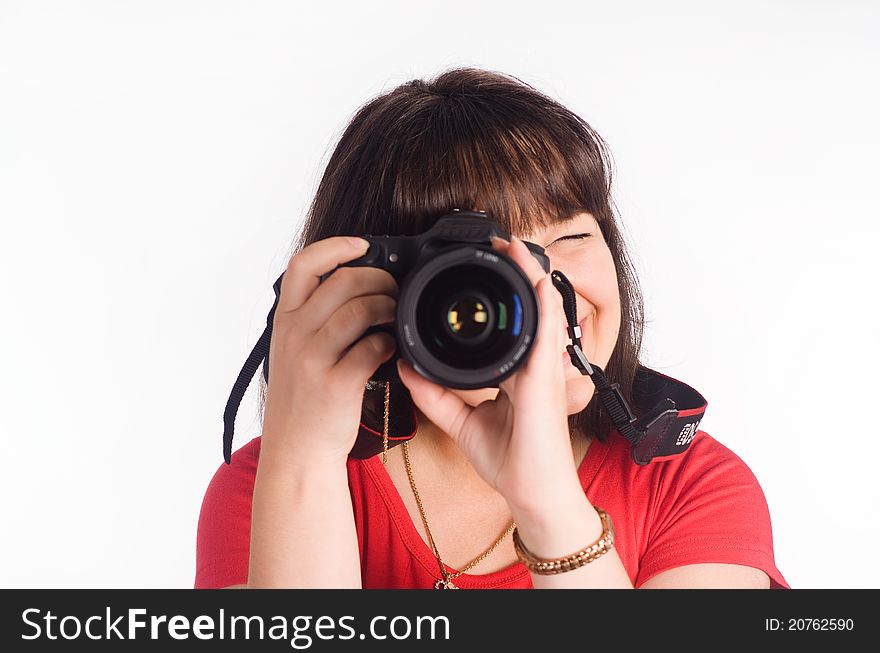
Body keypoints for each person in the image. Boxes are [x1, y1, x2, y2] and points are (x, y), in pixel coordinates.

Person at [195, 67, 789, 589]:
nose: (542, 291)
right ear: (377, 285)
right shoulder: (271, 485)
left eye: (571, 236)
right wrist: (302, 457)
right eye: (481, 268)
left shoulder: (689, 488)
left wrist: (550, 504)